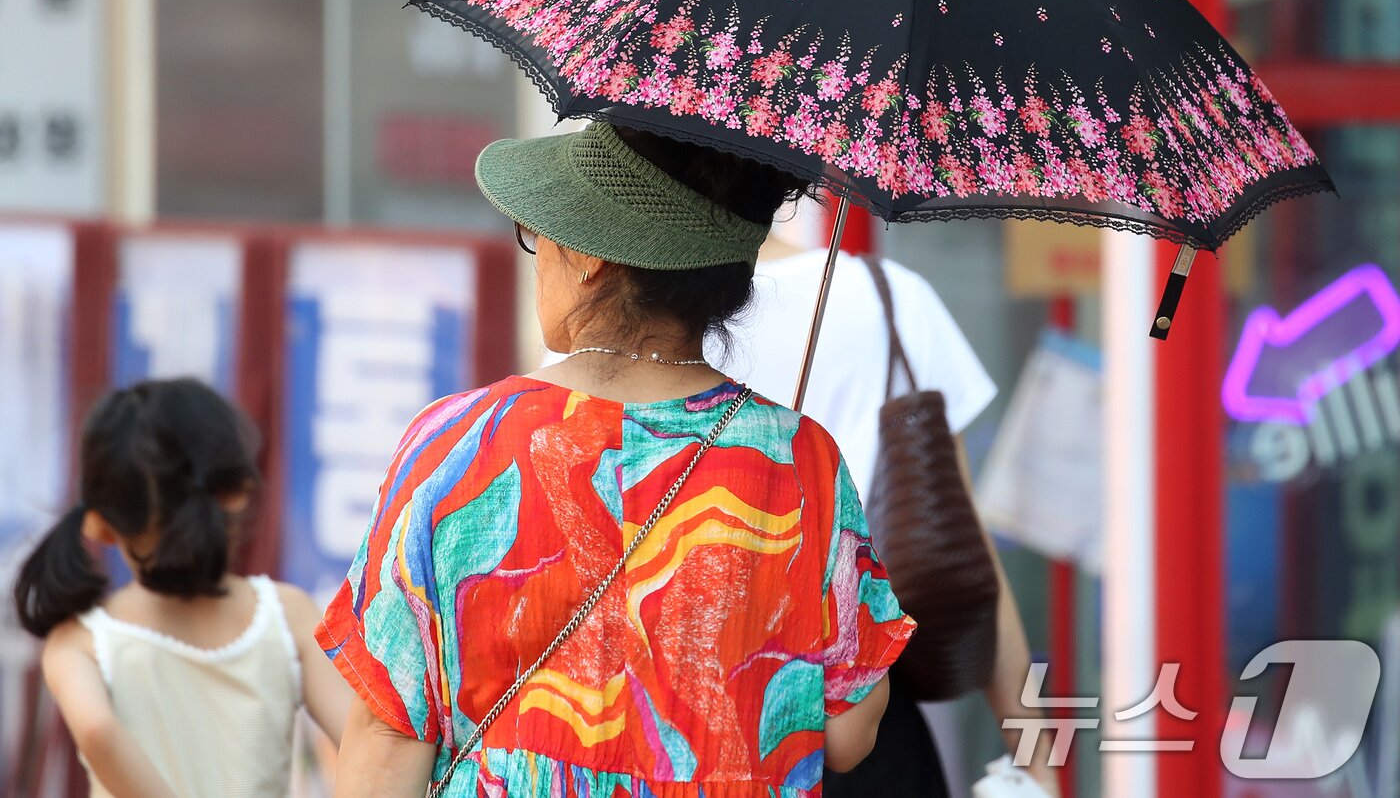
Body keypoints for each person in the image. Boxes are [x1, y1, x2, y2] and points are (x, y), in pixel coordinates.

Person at [317, 120, 916, 796]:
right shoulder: (800, 459)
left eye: (537, 232)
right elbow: (847, 734)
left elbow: (389, 730)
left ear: (594, 255)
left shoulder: (459, 444)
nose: (537, 250)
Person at [719, 233, 1061, 796]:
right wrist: (1035, 755)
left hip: (688, 730)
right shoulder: (890, 299)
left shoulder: (622, 321)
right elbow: (966, 550)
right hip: (874, 729)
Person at [12, 378, 350, 798]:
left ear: (98, 524)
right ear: (237, 494)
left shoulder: (79, 641)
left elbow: (97, 730)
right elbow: (363, 743)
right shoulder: (288, 613)